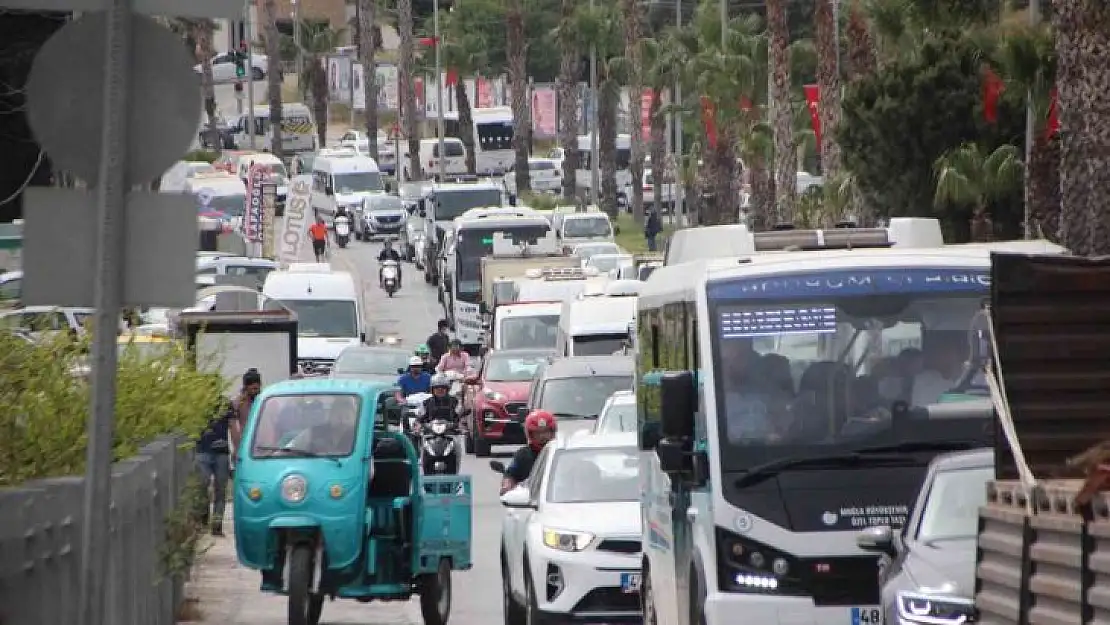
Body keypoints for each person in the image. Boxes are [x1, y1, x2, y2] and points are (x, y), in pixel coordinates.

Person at [500, 410, 557, 495]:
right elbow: (510, 474)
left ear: (552, 432)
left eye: (546, 432)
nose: (542, 436)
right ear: (530, 434)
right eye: (537, 433)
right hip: (529, 499)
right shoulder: (522, 455)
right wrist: (507, 486)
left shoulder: (559, 455)